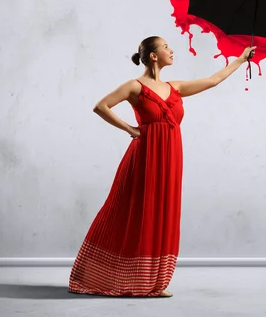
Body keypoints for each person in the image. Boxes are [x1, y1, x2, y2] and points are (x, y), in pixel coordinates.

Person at [68, 36, 255, 297]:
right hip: (144, 156)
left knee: (163, 211)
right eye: (166, 47)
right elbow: (101, 106)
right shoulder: (134, 87)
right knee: (134, 210)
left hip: (171, 157)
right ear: (153, 56)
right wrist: (131, 129)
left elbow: (213, 80)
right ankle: (107, 276)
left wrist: (240, 59)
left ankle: (154, 281)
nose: (171, 50)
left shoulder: (174, 87)